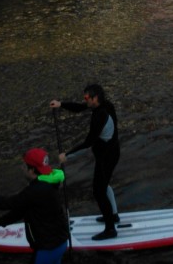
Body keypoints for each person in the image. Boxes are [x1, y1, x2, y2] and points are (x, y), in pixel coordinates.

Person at [0, 148, 69, 264]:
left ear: (32, 170)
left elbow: (4, 203)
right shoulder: (49, 183)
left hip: (47, 249)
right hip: (60, 243)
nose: (21, 168)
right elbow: (21, 211)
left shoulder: (34, 191)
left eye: (24, 166)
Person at [50, 84, 121, 240]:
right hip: (110, 152)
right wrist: (61, 104)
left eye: (87, 97)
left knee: (98, 191)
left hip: (107, 156)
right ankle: (113, 216)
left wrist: (67, 155)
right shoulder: (105, 105)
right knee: (104, 185)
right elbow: (79, 108)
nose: (85, 100)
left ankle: (110, 229)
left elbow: (88, 143)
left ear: (95, 98)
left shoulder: (100, 116)